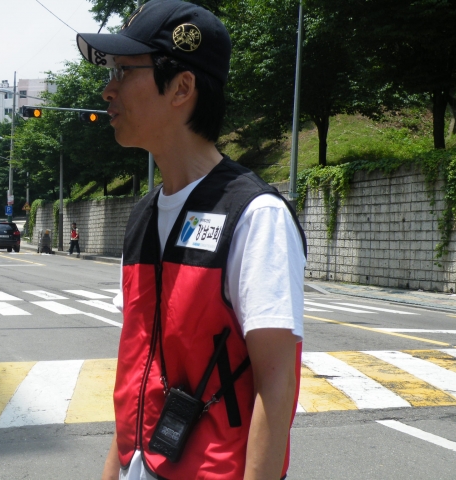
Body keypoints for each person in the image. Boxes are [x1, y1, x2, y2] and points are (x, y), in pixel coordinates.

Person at [77, 1, 307, 479]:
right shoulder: (143, 216)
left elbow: (277, 385)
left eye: (124, 71)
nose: (108, 90)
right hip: (141, 462)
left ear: (181, 87)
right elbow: (139, 365)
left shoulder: (255, 216)